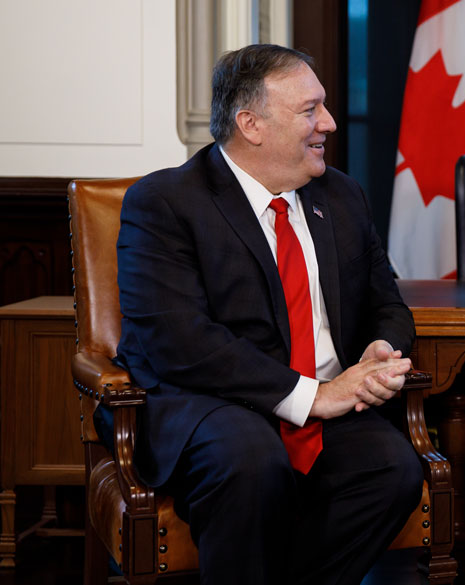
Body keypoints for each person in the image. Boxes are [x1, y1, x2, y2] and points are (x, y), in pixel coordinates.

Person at [111, 44, 422, 585]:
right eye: (310, 110)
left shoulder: (342, 196)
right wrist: (313, 396)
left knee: (393, 470)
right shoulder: (164, 202)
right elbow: (180, 342)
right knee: (251, 461)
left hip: (327, 408)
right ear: (250, 124)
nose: (328, 122)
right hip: (211, 402)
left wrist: (381, 349)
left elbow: (388, 304)